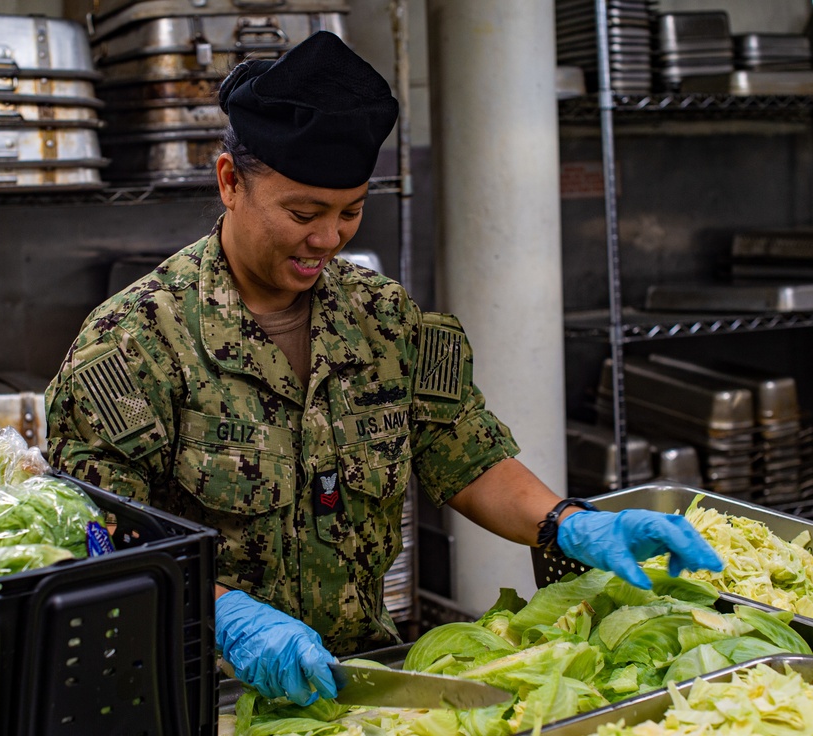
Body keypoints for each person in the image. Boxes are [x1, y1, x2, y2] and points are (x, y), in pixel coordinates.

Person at [45, 31, 723, 708]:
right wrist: (221, 615)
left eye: (351, 212)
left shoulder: (385, 319)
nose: (328, 239)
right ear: (230, 182)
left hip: (357, 688)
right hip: (194, 694)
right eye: (303, 213)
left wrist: (566, 522)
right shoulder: (133, 343)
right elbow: (89, 533)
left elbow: (463, 451)